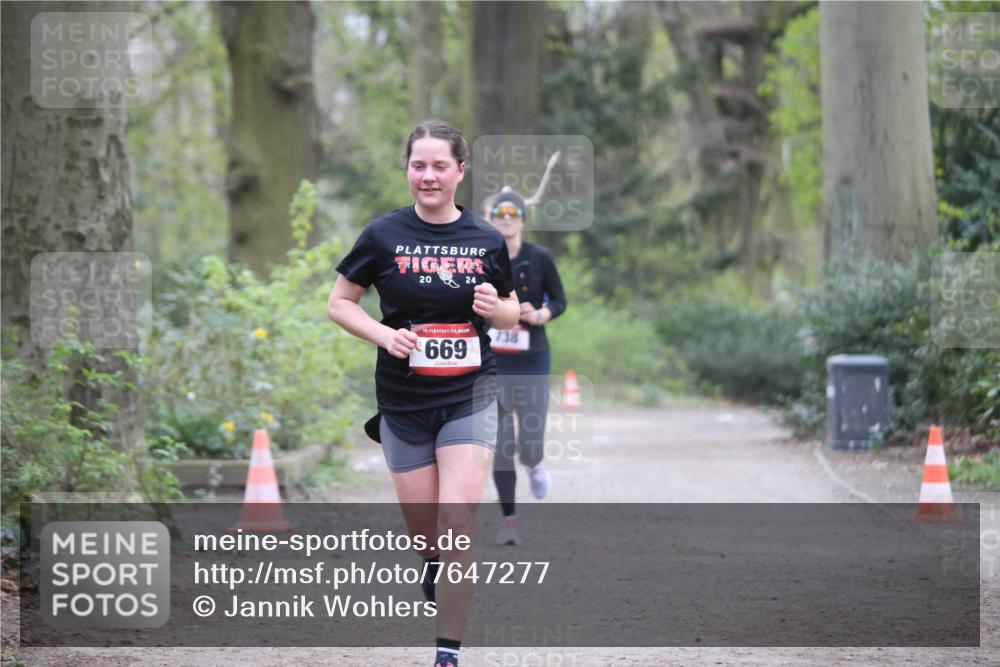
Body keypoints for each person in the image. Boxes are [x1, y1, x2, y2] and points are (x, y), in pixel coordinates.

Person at [326, 120, 519, 667]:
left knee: (456, 519)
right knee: (427, 535)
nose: (428, 176)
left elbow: (510, 307)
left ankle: (447, 653)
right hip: (404, 402)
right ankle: (433, 564)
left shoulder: (485, 239)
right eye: (418, 166)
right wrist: (385, 335)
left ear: (461, 170)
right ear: (407, 170)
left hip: (470, 394)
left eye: (439, 166)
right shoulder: (382, 234)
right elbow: (339, 302)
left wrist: (494, 308)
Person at [485, 187, 567, 546]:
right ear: (490, 219)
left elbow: (560, 300)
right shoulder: (482, 257)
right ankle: (510, 521)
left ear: (521, 219)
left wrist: (541, 314)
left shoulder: (539, 257)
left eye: (512, 214)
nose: (505, 220)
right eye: (499, 214)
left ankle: (534, 463)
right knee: (502, 443)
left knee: (529, 442)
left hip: (533, 358)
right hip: (495, 361)